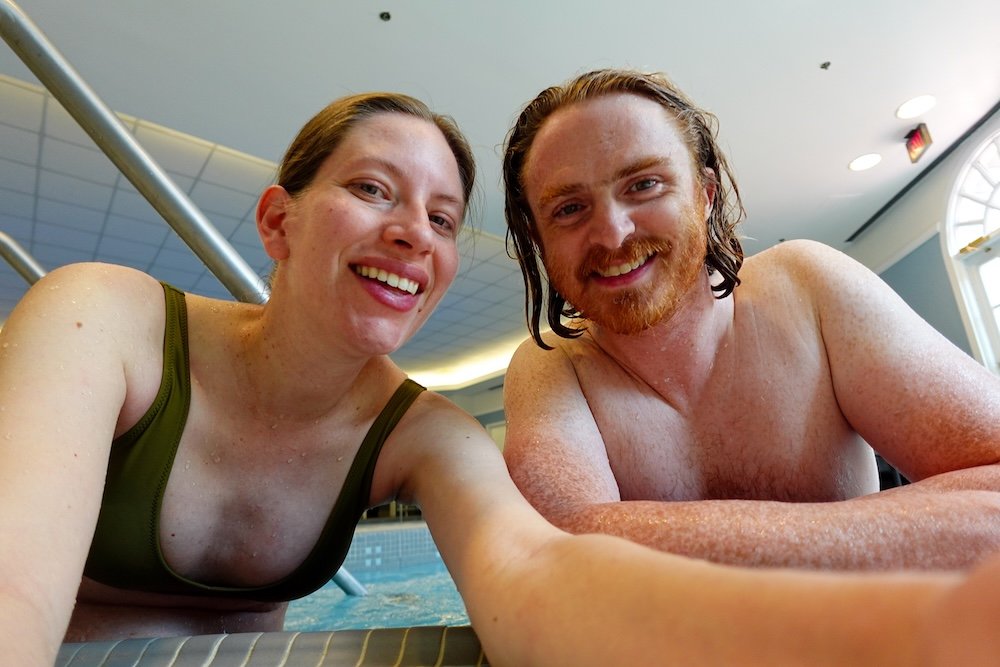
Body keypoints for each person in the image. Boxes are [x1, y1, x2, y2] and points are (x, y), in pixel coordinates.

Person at [0, 90, 995, 667]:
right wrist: (899, 574)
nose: (609, 230)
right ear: (277, 222)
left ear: (705, 190)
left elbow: (534, 576)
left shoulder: (418, 428)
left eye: (440, 216)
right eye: (370, 189)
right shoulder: (105, 316)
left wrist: (915, 629)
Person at [501, 69, 1000, 572]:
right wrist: (893, 532)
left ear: (705, 194)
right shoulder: (552, 371)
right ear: (540, 241)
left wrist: (618, 533)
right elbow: (562, 560)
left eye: (644, 184)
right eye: (569, 208)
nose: (611, 234)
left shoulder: (809, 291)